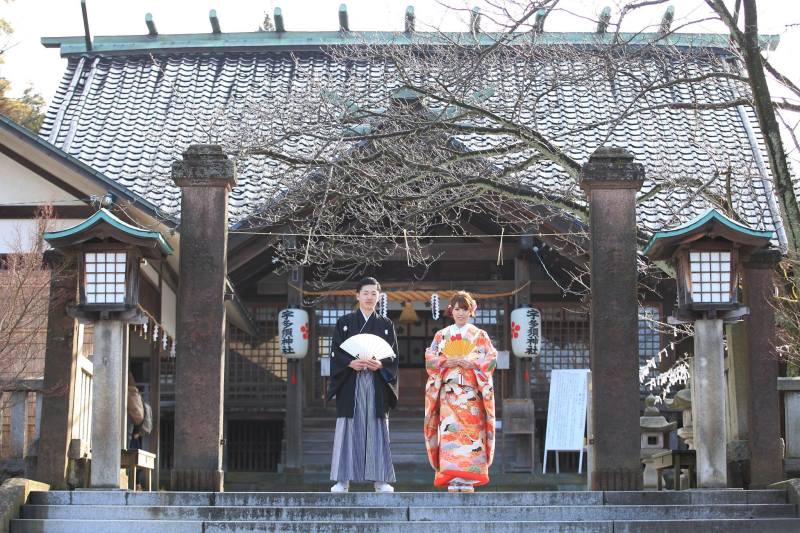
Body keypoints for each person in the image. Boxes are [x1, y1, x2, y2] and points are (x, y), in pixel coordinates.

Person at [327, 277, 399, 493]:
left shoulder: (386, 325)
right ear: (357, 295)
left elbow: (393, 357)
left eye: (374, 293)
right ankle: (342, 480)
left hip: (377, 383)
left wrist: (380, 364)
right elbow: (335, 353)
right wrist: (350, 362)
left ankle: (381, 480)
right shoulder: (345, 323)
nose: (369, 297)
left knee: (377, 428)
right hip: (351, 381)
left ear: (379, 297)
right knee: (348, 428)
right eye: (365, 293)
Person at [424, 291, 497, 492]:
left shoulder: (480, 336)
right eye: (457, 309)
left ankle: (469, 479)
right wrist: (447, 361)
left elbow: (491, 359)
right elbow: (431, 360)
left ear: (471, 310)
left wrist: (472, 363)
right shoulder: (442, 335)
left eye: (465, 309)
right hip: (449, 394)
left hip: (471, 395)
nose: (461, 313)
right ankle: (453, 477)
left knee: (472, 435)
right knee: (450, 436)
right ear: (451, 311)